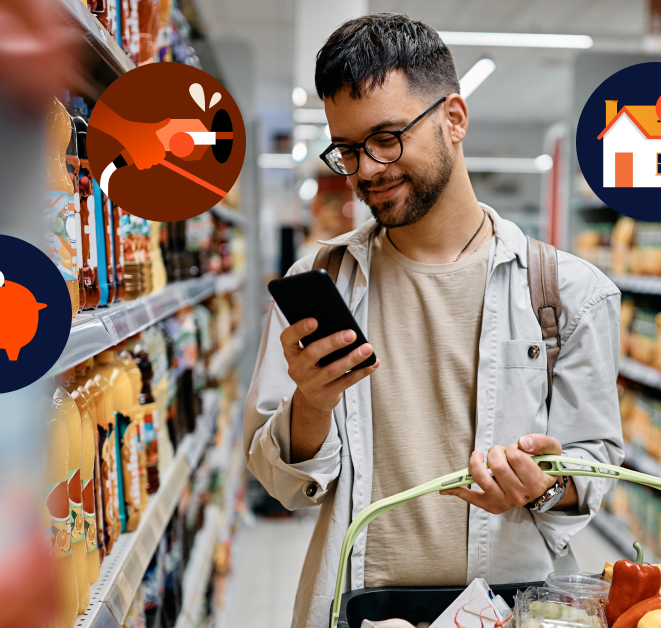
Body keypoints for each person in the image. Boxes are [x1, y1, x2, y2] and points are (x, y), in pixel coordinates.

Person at [244, 14, 623, 627]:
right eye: (347, 149)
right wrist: (310, 404)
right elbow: (280, 483)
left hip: (510, 606)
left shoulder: (571, 294)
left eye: (387, 137)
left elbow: (593, 469)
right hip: (358, 606)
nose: (366, 169)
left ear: (454, 119)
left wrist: (544, 484)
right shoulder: (321, 278)